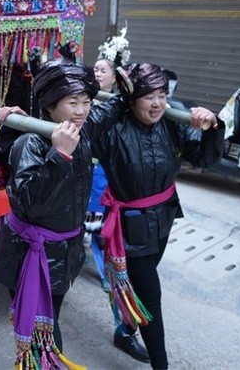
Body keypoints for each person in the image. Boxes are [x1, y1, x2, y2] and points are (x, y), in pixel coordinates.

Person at [0, 52, 124, 369]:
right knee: (43, 328)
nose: (81, 111)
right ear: (50, 106)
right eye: (72, 103)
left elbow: (115, 107)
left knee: (50, 320)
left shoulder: (81, 128)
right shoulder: (31, 143)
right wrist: (59, 156)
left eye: (85, 102)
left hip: (65, 251)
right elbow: (26, 201)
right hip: (30, 253)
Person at [92, 62, 223, 370]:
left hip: (163, 220)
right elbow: (84, 129)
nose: (158, 103)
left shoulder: (172, 123)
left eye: (163, 94)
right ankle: (161, 365)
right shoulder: (113, 129)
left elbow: (204, 158)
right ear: (131, 98)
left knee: (139, 290)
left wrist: (213, 127)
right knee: (151, 297)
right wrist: (115, 102)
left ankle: (125, 332)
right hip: (130, 228)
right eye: (148, 96)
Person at [90, 34, 149, 363]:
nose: (97, 74)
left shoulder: (126, 110)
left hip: (109, 190)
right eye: (95, 69)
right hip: (85, 185)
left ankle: (124, 328)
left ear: (117, 76)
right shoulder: (87, 103)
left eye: (103, 70)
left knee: (112, 262)